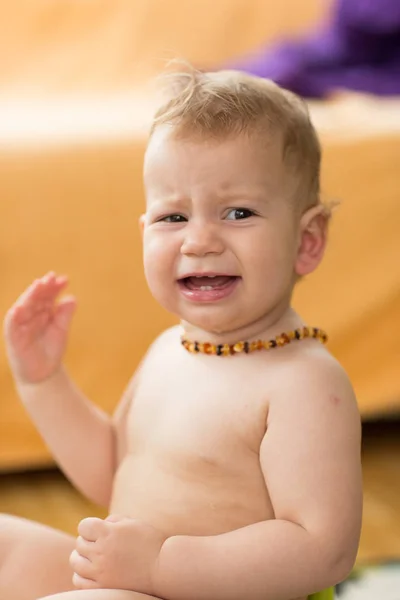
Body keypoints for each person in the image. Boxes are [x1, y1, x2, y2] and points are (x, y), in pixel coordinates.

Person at [1, 66, 362, 600]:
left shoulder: (304, 382)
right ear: (144, 232)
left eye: (237, 212)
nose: (199, 241)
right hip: (142, 581)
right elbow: (113, 473)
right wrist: (44, 381)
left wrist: (162, 564)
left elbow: (321, 547)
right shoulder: (171, 348)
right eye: (173, 217)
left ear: (306, 241)